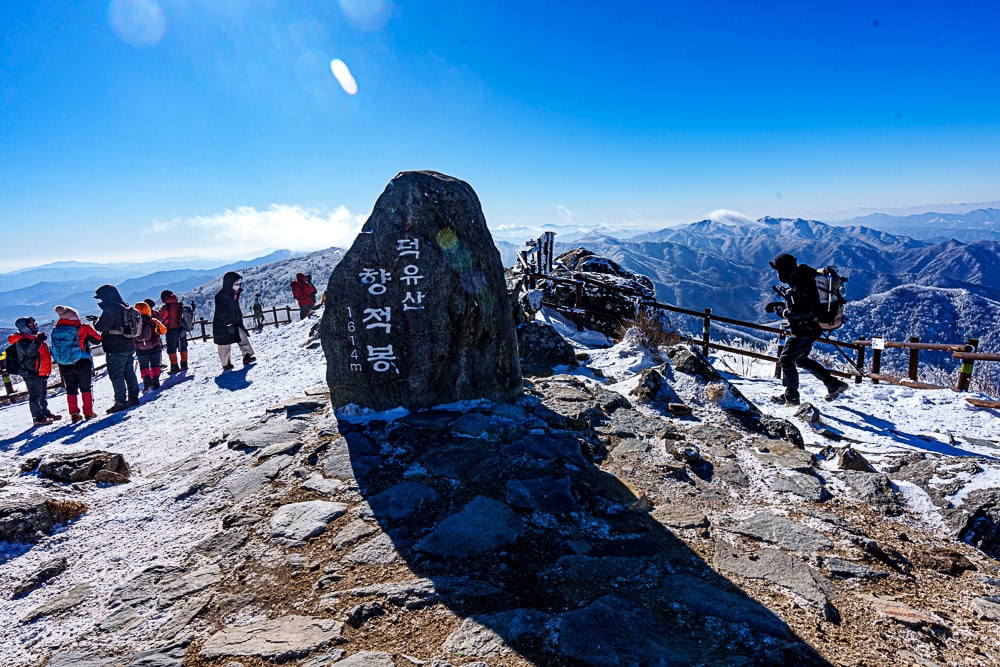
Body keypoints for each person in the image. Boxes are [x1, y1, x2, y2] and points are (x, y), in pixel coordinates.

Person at [765, 253, 849, 406]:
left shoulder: (802, 282)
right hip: (809, 327)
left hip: (806, 329)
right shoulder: (801, 278)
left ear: (784, 268)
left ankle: (791, 396)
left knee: (786, 359)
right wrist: (781, 307)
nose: (777, 274)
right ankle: (833, 384)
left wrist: (783, 312)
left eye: (778, 270)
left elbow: (807, 310)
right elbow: (802, 306)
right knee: (800, 359)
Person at [94, 284, 140, 413]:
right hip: (129, 344)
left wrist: (95, 322)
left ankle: (120, 402)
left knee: (116, 375)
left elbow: (101, 326)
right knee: (129, 373)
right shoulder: (123, 305)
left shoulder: (111, 308)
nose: (101, 300)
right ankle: (133, 397)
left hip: (115, 347)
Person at [50, 305, 102, 422]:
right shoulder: (83, 328)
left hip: (64, 363)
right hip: (82, 361)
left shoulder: (57, 330)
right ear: (74, 316)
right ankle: (88, 412)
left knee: (71, 389)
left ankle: (74, 413)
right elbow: (97, 339)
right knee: (85, 387)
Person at [8, 317, 60, 425]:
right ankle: (38, 418)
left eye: (35, 324)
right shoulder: (22, 340)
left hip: (41, 371)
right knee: (35, 396)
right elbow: (29, 352)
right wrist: (37, 341)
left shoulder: (33, 337)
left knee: (42, 394)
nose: (35, 326)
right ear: (24, 327)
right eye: (31, 325)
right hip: (31, 372)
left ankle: (45, 413)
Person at [213, 271, 255, 370]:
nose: (238, 285)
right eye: (236, 283)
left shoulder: (235, 293)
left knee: (242, 337)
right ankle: (226, 364)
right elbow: (221, 312)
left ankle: (247, 356)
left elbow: (235, 308)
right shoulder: (220, 296)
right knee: (224, 345)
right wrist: (228, 324)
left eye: (239, 283)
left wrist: (239, 318)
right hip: (222, 325)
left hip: (235, 322)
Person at [134, 302, 167, 392]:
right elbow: (163, 330)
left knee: (144, 367)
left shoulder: (134, 323)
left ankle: (147, 384)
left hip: (140, 349)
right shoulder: (153, 321)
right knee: (155, 366)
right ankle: (155, 383)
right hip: (154, 347)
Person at [158, 289, 189, 374]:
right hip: (181, 327)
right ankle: (184, 365)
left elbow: (160, 316)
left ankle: (175, 367)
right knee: (183, 346)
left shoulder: (167, 306)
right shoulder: (179, 304)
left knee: (171, 349)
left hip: (171, 329)